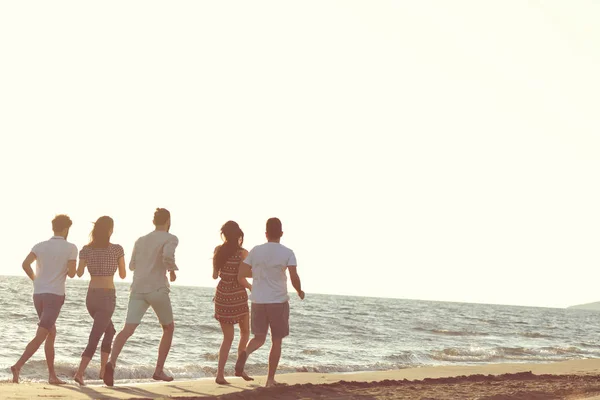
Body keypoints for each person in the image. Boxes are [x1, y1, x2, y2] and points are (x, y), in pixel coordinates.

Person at [103, 208, 178, 387]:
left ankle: (111, 362)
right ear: (168, 220)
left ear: (154, 221)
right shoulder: (170, 238)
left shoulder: (141, 240)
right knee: (168, 328)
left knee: (127, 329)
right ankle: (158, 370)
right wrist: (172, 270)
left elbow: (131, 265)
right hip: (158, 288)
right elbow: (168, 255)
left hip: (137, 289)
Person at [235, 218, 304, 387]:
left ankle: (245, 353)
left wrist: (261, 272)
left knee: (258, 338)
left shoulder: (256, 251)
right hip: (278, 301)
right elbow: (294, 277)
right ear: (281, 233)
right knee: (276, 340)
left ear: (266, 234)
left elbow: (242, 272)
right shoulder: (287, 252)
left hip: (258, 300)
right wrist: (299, 291)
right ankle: (270, 380)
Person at [11, 215, 77, 384]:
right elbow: (71, 273)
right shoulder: (71, 247)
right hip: (54, 296)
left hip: (38, 294)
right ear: (66, 229)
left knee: (50, 333)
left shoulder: (39, 246)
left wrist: (36, 280)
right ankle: (18, 365)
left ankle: (52, 376)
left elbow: (25, 264)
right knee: (42, 334)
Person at [73, 216, 126, 386]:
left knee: (109, 331)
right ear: (110, 230)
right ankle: (80, 373)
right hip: (107, 296)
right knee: (95, 337)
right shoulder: (117, 249)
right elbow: (124, 274)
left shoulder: (86, 250)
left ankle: (103, 371)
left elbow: (79, 273)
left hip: (91, 297)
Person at [213, 221, 254, 384]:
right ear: (238, 235)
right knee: (245, 333)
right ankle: (240, 368)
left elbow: (215, 275)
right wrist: (251, 285)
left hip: (222, 295)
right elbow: (246, 275)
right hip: (238, 295)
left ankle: (220, 375)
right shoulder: (243, 253)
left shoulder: (218, 251)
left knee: (227, 338)